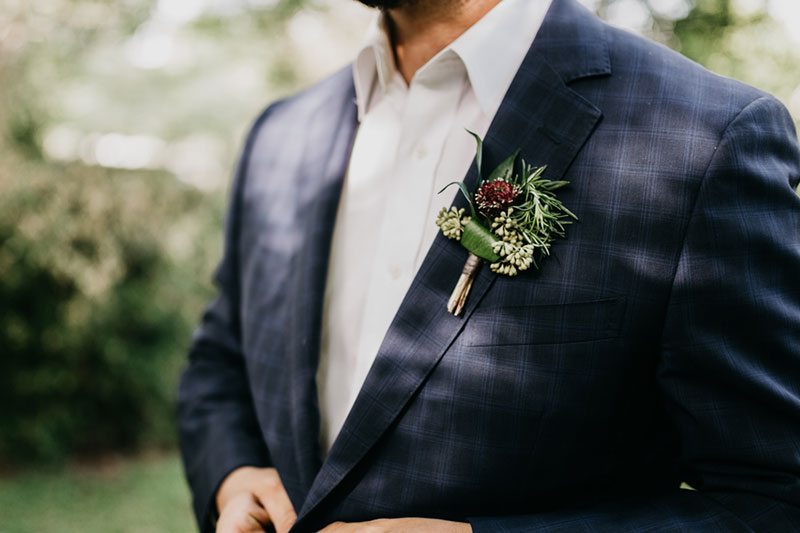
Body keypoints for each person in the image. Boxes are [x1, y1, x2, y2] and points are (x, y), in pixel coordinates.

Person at [177, 0, 800, 531]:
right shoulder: (280, 136)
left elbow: (774, 500)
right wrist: (233, 475)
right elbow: (221, 362)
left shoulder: (706, 139)